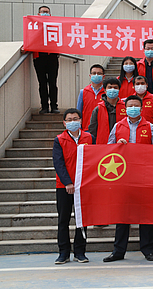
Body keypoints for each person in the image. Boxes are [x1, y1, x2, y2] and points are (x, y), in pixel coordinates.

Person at [104, 95, 153, 263]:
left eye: (136, 105)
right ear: (125, 108)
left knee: (145, 214)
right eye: (130, 106)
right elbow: (108, 150)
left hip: (144, 176)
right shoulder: (117, 126)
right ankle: (118, 250)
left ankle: (148, 249)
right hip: (123, 176)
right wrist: (118, 145)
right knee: (122, 214)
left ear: (141, 108)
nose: (133, 108)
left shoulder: (150, 127)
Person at [52, 108, 95, 264]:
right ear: (64, 123)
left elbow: (95, 159)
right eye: (69, 120)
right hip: (64, 186)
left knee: (81, 221)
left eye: (75, 119)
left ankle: (80, 252)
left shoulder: (89, 138)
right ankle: (63, 252)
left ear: (81, 120)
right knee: (63, 220)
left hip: (83, 186)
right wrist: (67, 182)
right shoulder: (59, 140)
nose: (72, 122)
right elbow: (59, 163)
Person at [32, 6, 59, 114]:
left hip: (52, 56)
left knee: (53, 83)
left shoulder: (54, 25)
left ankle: (54, 106)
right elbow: (30, 38)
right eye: (43, 12)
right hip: (39, 57)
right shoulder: (33, 26)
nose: (45, 13)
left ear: (50, 14)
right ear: (38, 14)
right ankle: (44, 107)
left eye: (47, 12)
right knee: (42, 83)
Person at [88, 77, 127, 144]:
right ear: (105, 90)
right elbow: (92, 128)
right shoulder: (98, 109)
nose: (112, 89)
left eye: (115, 87)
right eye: (110, 87)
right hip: (103, 144)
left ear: (119, 90)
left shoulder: (125, 107)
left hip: (122, 143)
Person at [76, 64, 105, 131]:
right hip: (87, 129)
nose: (96, 75)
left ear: (103, 76)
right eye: (94, 73)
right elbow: (79, 112)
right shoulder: (83, 92)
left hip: (103, 129)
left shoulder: (107, 92)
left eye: (99, 73)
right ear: (90, 76)